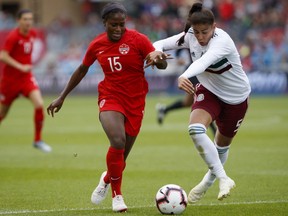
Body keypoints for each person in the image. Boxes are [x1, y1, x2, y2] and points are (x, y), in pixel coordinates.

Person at [46, 2, 167, 213]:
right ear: (105, 23)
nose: (118, 29)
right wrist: (62, 97)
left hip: (136, 101)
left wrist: (160, 59)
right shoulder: (97, 44)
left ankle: (106, 178)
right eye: (114, 25)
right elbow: (82, 70)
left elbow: (160, 63)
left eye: (122, 24)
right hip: (110, 97)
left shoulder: (139, 39)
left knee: (121, 158)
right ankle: (117, 196)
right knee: (117, 140)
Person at [145, 2, 251, 203]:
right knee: (195, 129)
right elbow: (160, 43)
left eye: (205, 32)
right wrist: (156, 51)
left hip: (236, 98)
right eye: (197, 32)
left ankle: (208, 182)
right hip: (209, 91)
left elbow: (203, 62)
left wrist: (183, 75)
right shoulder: (190, 36)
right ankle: (222, 178)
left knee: (221, 147)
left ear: (214, 27)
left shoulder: (223, 41)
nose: (200, 37)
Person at [0, 9, 51, 153]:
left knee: (39, 104)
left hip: (26, 78)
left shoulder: (32, 34)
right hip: (10, 81)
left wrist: (25, 68)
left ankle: (37, 140)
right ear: (18, 21)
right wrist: (20, 66)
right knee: (3, 113)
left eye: (30, 19)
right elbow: (3, 56)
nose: (28, 22)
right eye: (25, 19)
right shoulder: (13, 36)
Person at [156, 49, 217, 135]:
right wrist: (178, 58)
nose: (200, 35)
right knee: (202, 101)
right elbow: (178, 48)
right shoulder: (190, 37)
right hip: (193, 71)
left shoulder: (207, 38)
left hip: (201, 71)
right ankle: (214, 131)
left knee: (187, 102)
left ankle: (165, 109)